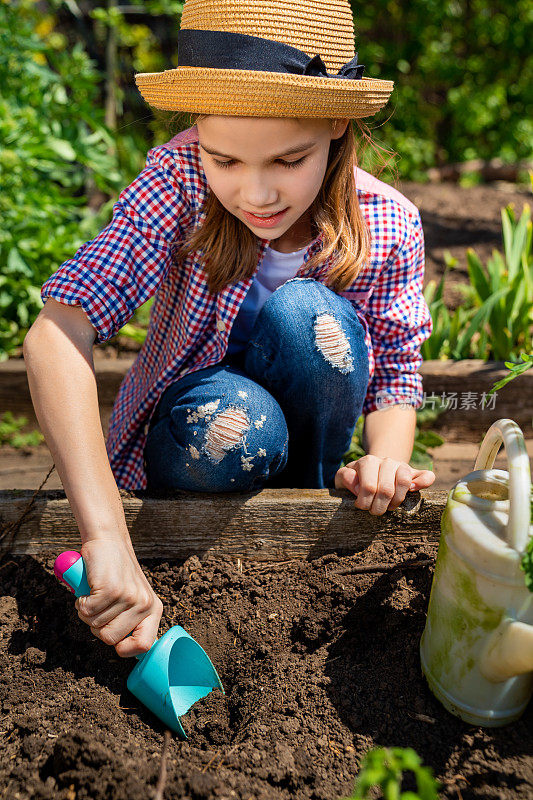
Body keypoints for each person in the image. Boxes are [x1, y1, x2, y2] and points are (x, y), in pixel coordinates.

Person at [23, 0, 436, 658]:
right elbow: (56, 332)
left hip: (306, 444)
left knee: (312, 319)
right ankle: (196, 548)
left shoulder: (387, 221)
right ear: (198, 137)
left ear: (337, 121)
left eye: (286, 160)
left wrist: (385, 458)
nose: (256, 194)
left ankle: (300, 524)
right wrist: (105, 536)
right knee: (232, 420)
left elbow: (393, 368)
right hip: (197, 437)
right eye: (224, 160)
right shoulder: (175, 183)